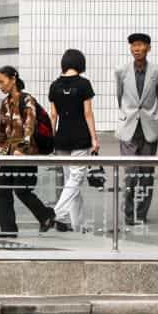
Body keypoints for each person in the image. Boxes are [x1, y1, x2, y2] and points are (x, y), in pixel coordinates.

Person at [0, 65, 59, 237]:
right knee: (2, 189)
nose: (0, 86)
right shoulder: (5, 103)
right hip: (9, 154)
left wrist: (23, 149)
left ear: (13, 79)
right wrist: (2, 150)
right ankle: (8, 230)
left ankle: (46, 215)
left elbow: (30, 125)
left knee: (21, 189)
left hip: (26, 152)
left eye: (2, 82)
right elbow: (3, 129)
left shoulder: (26, 99)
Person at [113, 32, 158, 225]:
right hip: (129, 126)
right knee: (130, 173)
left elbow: (157, 93)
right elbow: (120, 96)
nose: (136, 48)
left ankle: (141, 214)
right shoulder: (121, 71)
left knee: (147, 174)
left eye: (140, 45)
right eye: (133, 45)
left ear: (148, 48)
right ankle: (127, 213)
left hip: (149, 125)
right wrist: (129, 113)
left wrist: (147, 112)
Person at [48, 49, 99, 232]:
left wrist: (51, 140)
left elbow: (53, 116)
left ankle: (78, 226)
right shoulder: (84, 84)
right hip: (80, 137)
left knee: (72, 181)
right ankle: (56, 213)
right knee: (75, 180)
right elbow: (87, 113)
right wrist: (94, 138)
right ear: (80, 63)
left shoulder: (54, 86)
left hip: (61, 138)